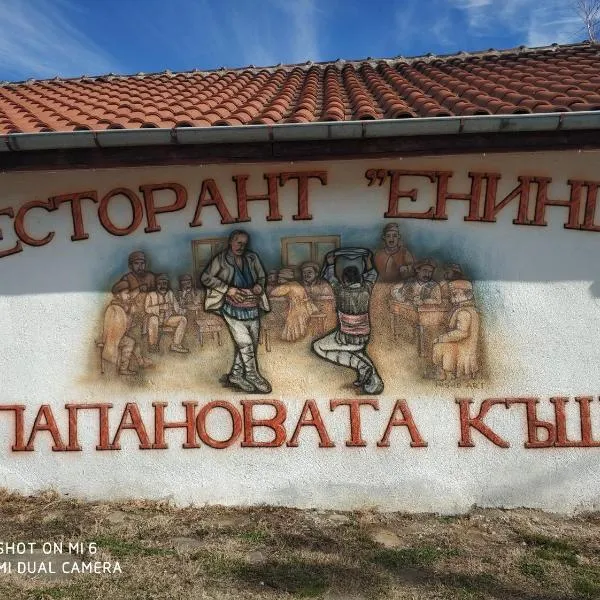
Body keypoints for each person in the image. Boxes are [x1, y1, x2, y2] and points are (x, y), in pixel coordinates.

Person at [200, 229, 271, 393]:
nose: (241, 246)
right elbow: (205, 278)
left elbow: (261, 276)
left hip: (252, 306)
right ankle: (253, 375)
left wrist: (259, 285)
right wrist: (227, 289)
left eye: (244, 244)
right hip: (231, 308)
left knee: (249, 344)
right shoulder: (221, 259)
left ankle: (236, 375)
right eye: (238, 242)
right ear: (231, 242)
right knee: (245, 343)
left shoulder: (252, 257)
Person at [312, 248, 384, 395]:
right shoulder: (366, 289)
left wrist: (330, 263)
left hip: (346, 338)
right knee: (358, 352)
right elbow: (372, 274)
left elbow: (330, 277)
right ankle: (368, 373)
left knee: (318, 346)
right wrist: (368, 260)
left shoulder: (341, 291)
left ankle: (361, 367)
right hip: (363, 337)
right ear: (359, 279)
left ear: (345, 280)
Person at [432, 280, 480, 380]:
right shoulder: (470, 310)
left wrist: (442, 338)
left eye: (455, 294)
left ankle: (446, 373)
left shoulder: (464, 312)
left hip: (464, 346)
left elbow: (462, 333)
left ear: (468, 295)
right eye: (452, 294)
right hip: (466, 345)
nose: (452, 298)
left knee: (438, 346)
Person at [101, 281, 152, 375]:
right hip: (113, 339)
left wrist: (131, 315)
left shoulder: (122, 307)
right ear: (118, 295)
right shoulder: (114, 308)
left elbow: (124, 325)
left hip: (117, 337)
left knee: (133, 342)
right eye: (126, 293)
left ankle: (140, 362)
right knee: (130, 342)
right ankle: (123, 369)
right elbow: (116, 327)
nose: (129, 296)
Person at [144, 274, 189, 354]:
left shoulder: (170, 293)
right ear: (156, 285)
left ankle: (176, 344)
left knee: (183, 319)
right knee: (153, 319)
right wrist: (160, 307)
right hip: (155, 320)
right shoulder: (150, 294)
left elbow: (177, 308)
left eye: (164, 283)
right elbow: (146, 309)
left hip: (167, 319)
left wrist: (183, 311)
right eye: (159, 284)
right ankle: (153, 345)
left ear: (167, 284)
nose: (162, 286)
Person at [269, 268, 317, 341]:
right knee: (296, 321)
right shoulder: (296, 283)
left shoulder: (288, 285)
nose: (278, 281)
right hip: (305, 308)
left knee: (291, 321)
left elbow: (274, 292)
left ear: (284, 278)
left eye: (280, 278)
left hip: (297, 308)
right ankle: (299, 336)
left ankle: (294, 337)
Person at [111, 251, 155, 319]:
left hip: (149, 311)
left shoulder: (151, 277)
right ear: (130, 266)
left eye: (142, 263)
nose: (140, 266)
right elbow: (123, 298)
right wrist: (139, 289)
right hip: (133, 313)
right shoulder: (127, 278)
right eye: (136, 263)